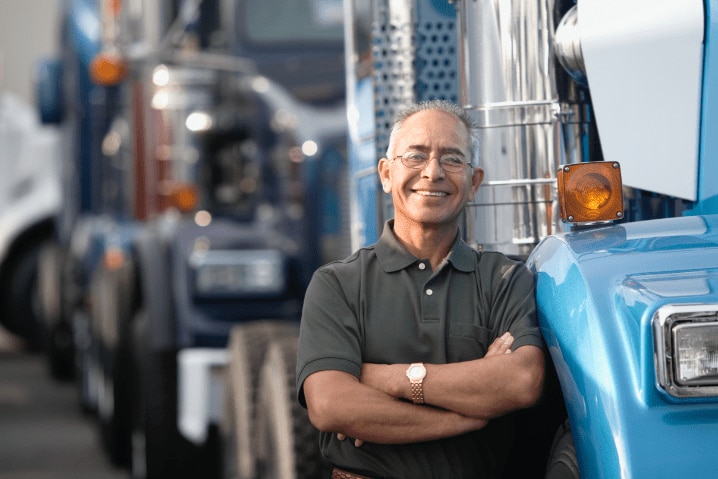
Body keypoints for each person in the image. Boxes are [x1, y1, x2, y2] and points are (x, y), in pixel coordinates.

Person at [296, 99, 545, 478]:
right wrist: (466, 416)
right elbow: (331, 405)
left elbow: (522, 381)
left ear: (473, 182)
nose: (433, 172)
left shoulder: (505, 279)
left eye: (452, 159)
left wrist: (387, 378)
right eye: (415, 156)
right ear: (385, 174)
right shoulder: (338, 283)